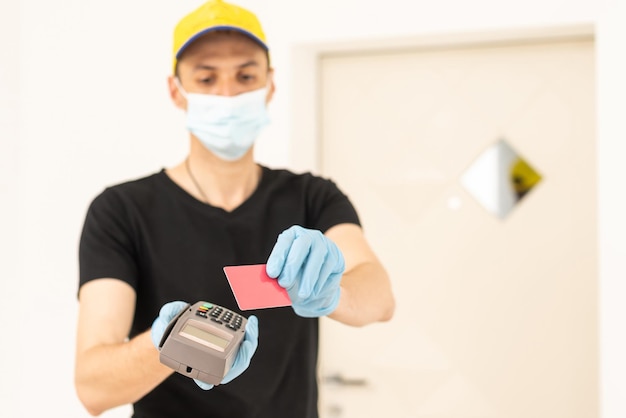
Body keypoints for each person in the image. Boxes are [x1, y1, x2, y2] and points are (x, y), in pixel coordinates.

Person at [73, 0, 395, 417]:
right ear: (177, 90)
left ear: (270, 84)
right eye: (206, 78)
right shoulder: (121, 211)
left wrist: (333, 292)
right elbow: (92, 387)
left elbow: (380, 299)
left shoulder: (312, 197)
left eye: (245, 76)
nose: (227, 94)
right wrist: (167, 343)